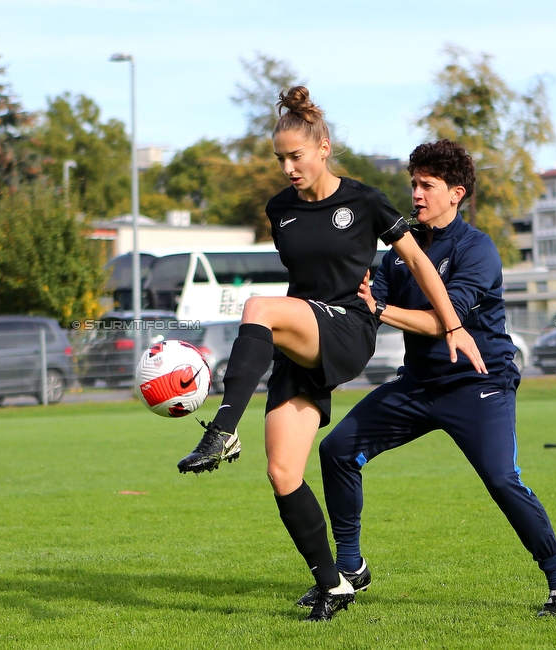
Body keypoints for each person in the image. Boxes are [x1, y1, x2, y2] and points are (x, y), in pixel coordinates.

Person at [175, 87, 486, 622]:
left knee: (258, 305)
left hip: (347, 326)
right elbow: (304, 278)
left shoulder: (364, 200)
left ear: (324, 148)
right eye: (281, 159)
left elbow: (417, 262)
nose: (289, 167)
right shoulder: (280, 209)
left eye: (297, 156)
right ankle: (333, 584)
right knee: (282, 471)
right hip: (303, 336)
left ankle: (223, 429)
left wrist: (452, 325)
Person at [310, 139, 556, 617]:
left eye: (428, 186)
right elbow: (375, 311)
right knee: (336, 451)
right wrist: (355, 301)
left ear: (456, 193)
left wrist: (379, 306)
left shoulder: (477, 248)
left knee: (502, 479)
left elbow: (444, 320)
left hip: (479, 385)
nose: (416, 194)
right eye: (413, 183)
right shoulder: (401, 250)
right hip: (417, 386)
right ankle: (351, 568)